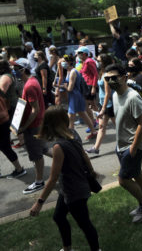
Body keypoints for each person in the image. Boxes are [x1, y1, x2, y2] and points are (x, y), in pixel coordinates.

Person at [30, 106, 100, 251]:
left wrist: (39, 202)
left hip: (75, 191)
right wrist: (92, 171)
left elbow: (53, 178)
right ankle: (67, 248)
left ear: (50, 124)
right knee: (58, 217)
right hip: (69, 188)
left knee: (85, 224)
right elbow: (84, 154)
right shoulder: (72, 133)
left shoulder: (58, 147)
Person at [104, 64, 142, 223]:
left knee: (123, 180)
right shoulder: (115, 95)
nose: (110, 81)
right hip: (122, 144)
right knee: (137, 174)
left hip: (131, 145)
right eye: (107, 78)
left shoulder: (133, 97)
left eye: (114, 78)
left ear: (124, 77)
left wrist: (133, 147)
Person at [11, 58, 47, 194]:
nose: (14, 71)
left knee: (36, 155)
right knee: (43, 149)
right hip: (37, 123)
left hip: (33, 125)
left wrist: (24, 127)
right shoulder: (32, 81)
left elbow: (35, 110)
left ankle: (39, 181)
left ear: (23, 69)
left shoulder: (29, 86)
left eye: (16, 69)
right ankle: (66, 160)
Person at [60, 55, 97, 140]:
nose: (62, 63)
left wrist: (65, 86)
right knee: (82, 114)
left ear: (69, 62)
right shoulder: (69, 71)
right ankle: (93, 132)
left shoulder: (73, 72)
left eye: (64, 61)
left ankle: (71, 136)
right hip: (74, 96)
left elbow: (70, 88)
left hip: (75, 96)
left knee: (71, 117)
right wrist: (59, 85)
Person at [86, 54, 116, 154]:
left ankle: (132, 143)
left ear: (104, 62)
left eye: (98, 61)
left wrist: (103, 108)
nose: (96, 62)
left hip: (109, 105)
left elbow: (108, 93)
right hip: (103, 103)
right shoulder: (101, 73)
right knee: (101, 127)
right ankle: (96, 148)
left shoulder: (107, 75)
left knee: (119, 126)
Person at [76, 46, 99, 131]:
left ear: (84, 54)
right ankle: (95, 121)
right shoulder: (84, 62)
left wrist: (93, 87)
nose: (78, 55)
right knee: (90, 104)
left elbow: (95, 74)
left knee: (91, 104)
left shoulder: (89, 61)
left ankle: (97, 121)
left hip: (90, 85)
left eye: (79, 53)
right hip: (86, 85)